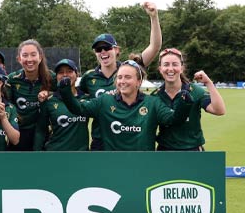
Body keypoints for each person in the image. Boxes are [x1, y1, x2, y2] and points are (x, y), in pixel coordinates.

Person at [59, 57, 194, 151]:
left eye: (128, 77)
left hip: (143, 167)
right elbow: (79, 108)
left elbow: (173, 119)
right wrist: (65, 91)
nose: (122, 81)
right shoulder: (105, 101)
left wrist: (184, 103)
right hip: (112, 166)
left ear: (139, 82)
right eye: (120, 77)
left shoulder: (152, 103)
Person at [79, 2, 162, 150]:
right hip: (100, 141)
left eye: (107, 48)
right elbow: (79, 103)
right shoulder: (88, 78)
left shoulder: (130, 68)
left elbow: (154, 47)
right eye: (99, 49)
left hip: (126, 141)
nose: (103, 52)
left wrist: (154, 17)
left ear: (116, 50)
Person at [153, 48, 226, 151]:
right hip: (165, 153)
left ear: (181, 68)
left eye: (175, 64)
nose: (170, 68)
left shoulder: (195, 91)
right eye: (166, 65)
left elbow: (219, 110)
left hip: (192, 152)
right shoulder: (155, 96)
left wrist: (208, 83)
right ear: (160, 68)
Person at [6, 39, 54, 151]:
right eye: (25, 55)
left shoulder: (51, 77)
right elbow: (6, 102)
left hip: (43, 133)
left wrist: (49, 93)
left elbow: (64, 94)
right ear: (19, 59)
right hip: (19, 132)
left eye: (33, 55)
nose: (29, 59)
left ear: (40, 57)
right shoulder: (12, 79)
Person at [34, 59, 89, 151]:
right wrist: (37, 154)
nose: (65, 75)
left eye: (69, 71)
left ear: (77, 75)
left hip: (81, 155)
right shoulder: (48, 101)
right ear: (56, 77)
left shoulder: (87, 98)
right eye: (60, 72)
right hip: (56, 153)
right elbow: (41, 130)